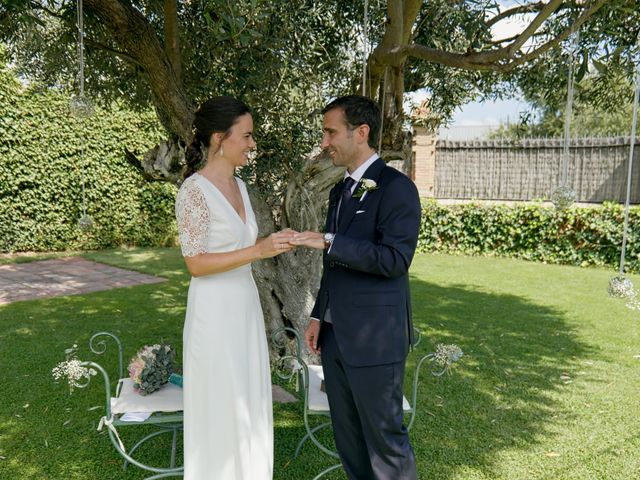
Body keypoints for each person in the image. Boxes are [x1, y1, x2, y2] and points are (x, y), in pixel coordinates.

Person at [291, 95, 421, 480]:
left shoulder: (398, 188)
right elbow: (335, 266)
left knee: (385, 442)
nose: (324, 142)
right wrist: (318, 315)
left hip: (376, 341)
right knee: (349, 442)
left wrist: (330, 241)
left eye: (330, 132)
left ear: (361, 132)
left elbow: (394, 260)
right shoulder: (338, 192)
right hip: (335, 338)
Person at [175, 96, 295, 480]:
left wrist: (273, 244)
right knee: (219, 403)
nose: (252, 144)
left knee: (247, 399)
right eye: (246, 135)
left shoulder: (241, 188)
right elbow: (195, 263)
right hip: (213, 312)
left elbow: (245, 248)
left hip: (244, 307)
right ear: (218, 138)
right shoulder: (193, 191)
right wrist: (258, 250)